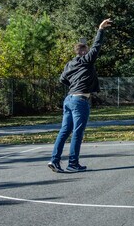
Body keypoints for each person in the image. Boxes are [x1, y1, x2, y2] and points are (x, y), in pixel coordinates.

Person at [48, 18, 113, 173]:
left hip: (69, 99)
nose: (89, 52)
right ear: (83, 52)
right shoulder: (87, 61)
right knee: (77, 132)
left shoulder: (70, 64)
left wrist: (74, 85)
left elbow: (62, 78)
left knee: (64, 131)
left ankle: (54, 160)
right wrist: (100, 30)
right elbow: (97, 47)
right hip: (79, 100)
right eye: (87, 50)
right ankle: (73, 163)